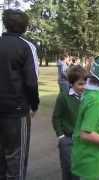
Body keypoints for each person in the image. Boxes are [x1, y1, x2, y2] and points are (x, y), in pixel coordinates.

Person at [0, 9, 40, 180]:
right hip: (16, 111)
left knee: (2, 153)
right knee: (16, 154)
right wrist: (34, 104)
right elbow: (31, 81)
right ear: (24, 26)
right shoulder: (26, 46)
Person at [52, 65, 87, 180]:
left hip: (83, 140)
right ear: (71, 84)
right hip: (68, 139)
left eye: (85, 83)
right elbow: (56, 117)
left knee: (80, 171)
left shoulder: (88, 97)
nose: (84, 87)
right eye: (80, 84)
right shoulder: (63, 97)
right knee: (68, 170)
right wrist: (61, 136)